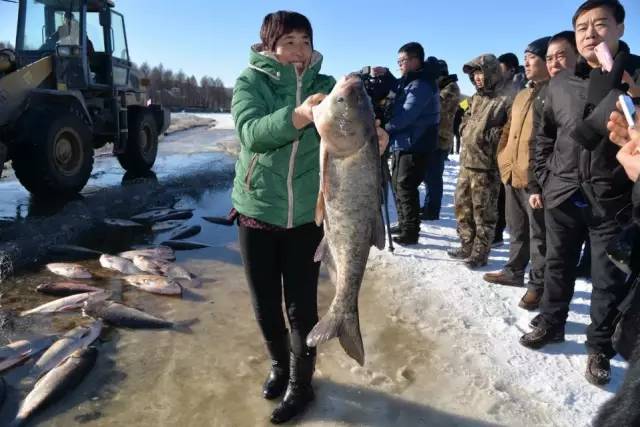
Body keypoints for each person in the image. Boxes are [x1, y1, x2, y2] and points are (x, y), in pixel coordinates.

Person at [520, 0, 640, 386]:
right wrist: (544, 180)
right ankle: (552, 322)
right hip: (563, 195)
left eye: (601, 24)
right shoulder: (560, 84)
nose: (590, 34)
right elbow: (544, 138)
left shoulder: (635, 77)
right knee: (557, 264)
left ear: (620, 28)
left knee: (607, 280)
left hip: (612, 201)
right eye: (582, 27)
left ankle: (598, 348)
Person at [483, 38, 551, 299]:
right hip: (512, 172)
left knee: (539, 236)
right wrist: (504, 158)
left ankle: (537, 285)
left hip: (536, 178)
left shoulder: (553, 93)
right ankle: (514, 270)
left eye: (532, 57)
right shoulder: (522, 94)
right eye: (525, 56)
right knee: (516, 228)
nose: (526, 61)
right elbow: (508, 130)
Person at [447, 54, 514, 268]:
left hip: (486, 167)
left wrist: (488, 134)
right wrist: (466, 129)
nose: (477, 78)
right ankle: (466, 244)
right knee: (461, 206)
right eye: (474, 74)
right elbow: (465, 120)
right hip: (466, 163)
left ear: (492, 72)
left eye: (480, 73)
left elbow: (508, 132)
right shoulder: (475, 99)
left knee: (483, 212)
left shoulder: (506, 100)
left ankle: (480, 252)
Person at [375, 43, 440, 244]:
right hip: (404, 143)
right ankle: (405, 224)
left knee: (406, 187)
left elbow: (407, 115)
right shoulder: (412, 81)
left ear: (415, 60)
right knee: (398, 185)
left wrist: (384, 126)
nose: (400, 65)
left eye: (403, 61)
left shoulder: (422, 85)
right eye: (398, 62)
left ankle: (411, 231)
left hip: (416, 144)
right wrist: (386, 74)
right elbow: (399, 87)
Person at [422, 59, 460, 220]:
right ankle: (429, 205)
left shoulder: (451, 88)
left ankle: (432, 211)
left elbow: (437, 104)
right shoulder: (442, 86)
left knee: (434, 178)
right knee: (429, 177)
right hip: (435, 137)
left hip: (441, 138)